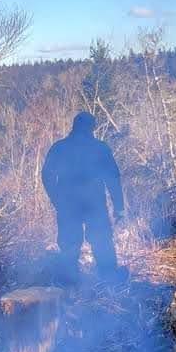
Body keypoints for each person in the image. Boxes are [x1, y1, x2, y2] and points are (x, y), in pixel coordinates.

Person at [41, 111, 125, 279]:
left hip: (67, 204)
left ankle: (69, 286)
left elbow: (46, 175)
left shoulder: (59, 147)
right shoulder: (100, 148)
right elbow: (113, 179)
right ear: (92, 128)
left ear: (74, 126)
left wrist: (56, 199)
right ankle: (109, 282)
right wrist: (119, 207)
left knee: (69, 244)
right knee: (102, 241)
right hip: (94, 204)